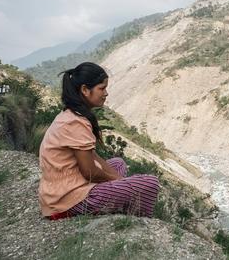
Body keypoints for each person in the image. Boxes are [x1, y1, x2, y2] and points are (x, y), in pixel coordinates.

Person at [38, 62, 160, 220]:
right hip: (66, 202)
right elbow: (90, 172)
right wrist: (123, 182)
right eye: (101, 88)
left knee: (118, 163)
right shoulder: (75, 122)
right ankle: (138, 221)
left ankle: (119, 205)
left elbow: (93, 157)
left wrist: (120, 182)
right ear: (85, 90)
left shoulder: (71, 115)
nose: (106, 93)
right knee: (150, 183)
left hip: (63, 190)